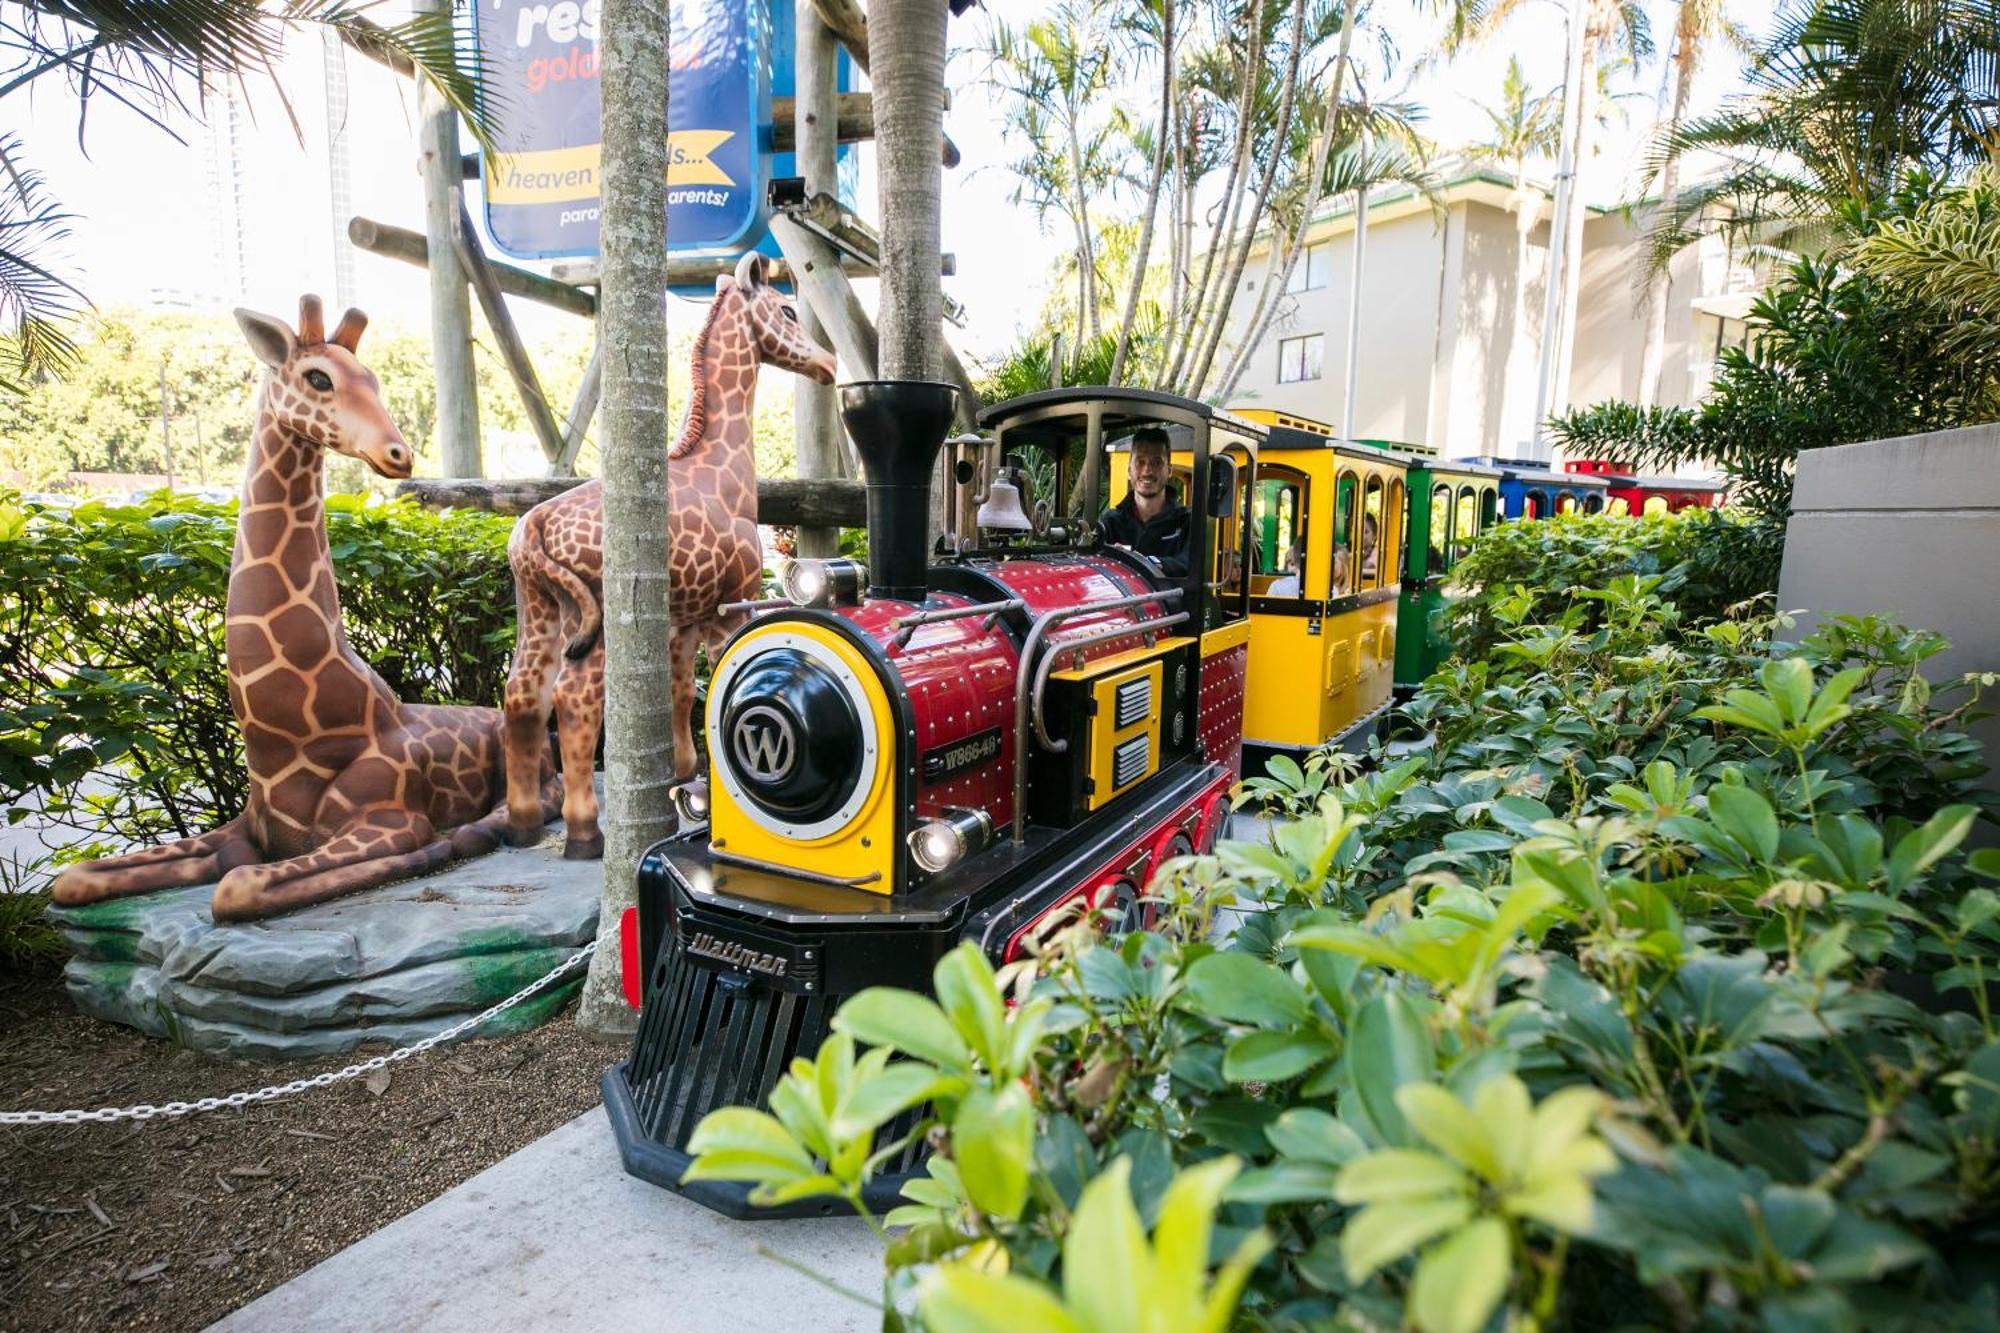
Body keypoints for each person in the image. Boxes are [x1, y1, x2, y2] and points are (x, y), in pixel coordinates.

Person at [1098, 427, 1190, 576]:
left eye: (1157, 462)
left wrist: (1148, 562)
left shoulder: (1187, 521)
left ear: (1169, 470)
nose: (1147, 471)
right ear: (1129, 470)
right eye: (1140, 462)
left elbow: (1189, 563)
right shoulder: (1110, 522)